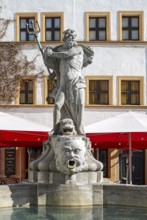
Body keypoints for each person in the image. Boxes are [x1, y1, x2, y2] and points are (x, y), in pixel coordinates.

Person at [43, 29, 94, 135]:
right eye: (70, 38)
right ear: (65, 39)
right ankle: (55, 129)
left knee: (80, 105)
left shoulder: (78, 49)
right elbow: (59, 67)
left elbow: (67, 55)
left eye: (73, 38)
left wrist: (52, 53)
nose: (72, 40)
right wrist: (53, 73)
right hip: (63, 85)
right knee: (57, 105)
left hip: (76, 83)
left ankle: (79, 129)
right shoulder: (60, 51)